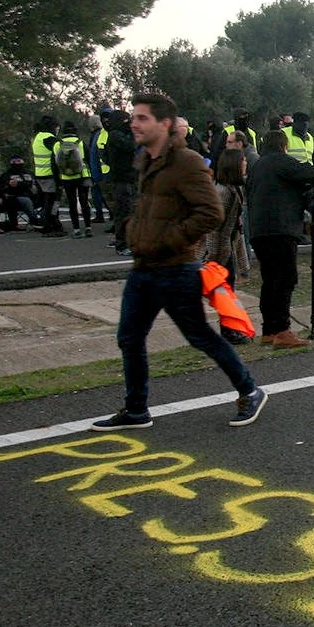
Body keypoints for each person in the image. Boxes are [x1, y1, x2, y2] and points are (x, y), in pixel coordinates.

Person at [92, 91, 267, 430]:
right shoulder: (146, 160)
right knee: (129, 338)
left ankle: (250, 390)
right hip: (143, 268)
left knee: (200, 336)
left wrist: (169, 240)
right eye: (134, 117)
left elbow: (210, 213)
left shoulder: (186, 162)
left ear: (165, 124)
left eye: (142, 118)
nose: (134, 123)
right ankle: (136, 409)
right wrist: (134, 232)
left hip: (176, 267)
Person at [245, 129, 314, 348]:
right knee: (286, 278)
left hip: (259, 230)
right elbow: (312, 174)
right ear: (283, 146)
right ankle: (282, 330)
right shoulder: (281, 161)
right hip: (281, 228)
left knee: (270, 280)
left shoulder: (257, 166)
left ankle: (268, 329)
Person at [206, 129, 248, 276]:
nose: (246, 163)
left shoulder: (236, 189)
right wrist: (212, 257)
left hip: (226, 248)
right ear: (235, 164)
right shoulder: (224, 192)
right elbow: (213, 227)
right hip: (218, 253)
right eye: (243, 160)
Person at [101, 109, 138, 255]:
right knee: (123, 212)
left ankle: (126, 242)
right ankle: (122, 244)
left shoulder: (117, 135)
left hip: (126, 178)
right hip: (121, 179)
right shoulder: (116, 136)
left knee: (128, 211)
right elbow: (130, 146)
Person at [56, 119, 93, 237]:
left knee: (72, 203)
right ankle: (88, 227)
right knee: (84, 202)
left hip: (66, 177)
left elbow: (55, 162)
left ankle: (76, 229)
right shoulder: (80, 143)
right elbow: (88, 159)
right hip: (82, 176)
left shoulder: (58, 144)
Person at [28, 113, 63, 234]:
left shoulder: (37, 137)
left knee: (46, 202)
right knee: (52, 201)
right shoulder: (50, 138)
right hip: (50, 175)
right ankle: (50, 225)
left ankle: (49, 223)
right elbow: (61, 155)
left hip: (39, 174)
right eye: (57, 127)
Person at [0, 157, 36, 233]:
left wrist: (19, 184)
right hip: (17, 198)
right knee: (26, 201)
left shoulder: (29, 173)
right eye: (15, 161)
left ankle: (47, 221)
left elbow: (33, 184)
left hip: (33, 195)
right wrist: (7, 186)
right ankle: (34, 221)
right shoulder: (7, 175)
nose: (17, 163)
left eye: (19, 160)